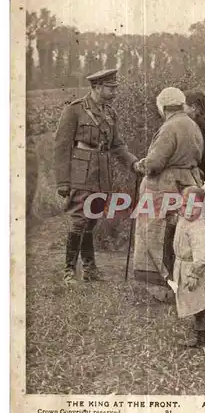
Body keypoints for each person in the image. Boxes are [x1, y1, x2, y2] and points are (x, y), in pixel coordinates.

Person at [54, 68, 138, 285]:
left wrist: (133, 163)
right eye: (110, 88)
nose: (114, 92)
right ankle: (69, 271)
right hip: (81, 172)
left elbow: (117, 146)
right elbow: (62, 147)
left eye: (115, 88)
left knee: (92, 220)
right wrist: (63, 181)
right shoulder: (74, 111)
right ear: (96, 87)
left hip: (102, 174)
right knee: (79, 220)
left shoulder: (111, 114)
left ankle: (90, 270)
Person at [133, 87, 204, 302]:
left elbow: (155, 163)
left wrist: (140, 165)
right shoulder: (192, 125)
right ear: (181, 104)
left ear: (162, 107)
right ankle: (183, 281)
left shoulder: (169, 127)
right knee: (180, 233)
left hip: (165, 185)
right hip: (188, 182)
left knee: (157, 232)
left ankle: (162, 286)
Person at [171, 186, 205, 348]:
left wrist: (195, 275)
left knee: (199, 303)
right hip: (184, 265)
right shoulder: (184, 220)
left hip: (196, 268)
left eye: (194, 206)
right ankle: (197, 329)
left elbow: (201, 257)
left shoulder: (198, 228)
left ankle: (200, 337)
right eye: (184, 205)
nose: (188, 210)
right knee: (193, 301)